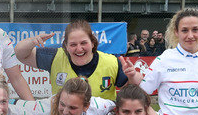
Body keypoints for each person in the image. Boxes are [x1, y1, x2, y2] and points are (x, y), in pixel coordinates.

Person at [13, 20, 141, 101]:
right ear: (66, 46)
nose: (79, 49)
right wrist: (32, 41)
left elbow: (133, 87)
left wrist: (133, 76)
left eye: (83, 43)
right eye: (73, 44)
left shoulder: (111, 61)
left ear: (92, 43)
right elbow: (20, 53)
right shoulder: (54, 57)